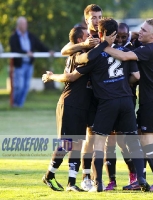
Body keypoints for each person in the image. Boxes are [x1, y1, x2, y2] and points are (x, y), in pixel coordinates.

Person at [55, 18, 150, 193]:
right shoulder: (127, 51)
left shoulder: (95, 56)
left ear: (100, 33)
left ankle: (98, 183)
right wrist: (121, 84)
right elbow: (136, 76)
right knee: (132, 141)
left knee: (99, 142)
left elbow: (81, 63)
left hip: (107, 103)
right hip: (126, 100)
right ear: (116, 34)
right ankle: (141, 178)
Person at [103, 18, 153, 192]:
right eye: (140, 28)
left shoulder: (149, 49)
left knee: (147, 141)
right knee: (140, 139)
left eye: (144, 30)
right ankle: (141, 180)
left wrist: (104, 46)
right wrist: (137, 36)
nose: (140, 32)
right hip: (152, 99)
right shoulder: (150, 46)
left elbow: (124, 56)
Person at [42, 26, 109, 192]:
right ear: (80, 40)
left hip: (81, 106)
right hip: (70, 103)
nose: (90, 38)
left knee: (77, 144)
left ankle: (71, 183)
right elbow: (71, 77)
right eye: (87, 35)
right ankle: (49, 175)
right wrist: (51, 77)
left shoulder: (79, 53)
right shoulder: (82, 56)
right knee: (66, 144)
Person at [61, 4, 103, 191]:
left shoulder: (106, 33)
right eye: (93, 17)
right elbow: (64, 50)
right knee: (85, 139)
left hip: (102, 95)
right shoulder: (85, 38)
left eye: (99, 16)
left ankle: (103, 179)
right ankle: (85, 177)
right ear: (86, 19)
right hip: (84, 96)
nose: (97, 20)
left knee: (98, 140)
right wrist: (84, 45)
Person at [104, 22, 139, 191]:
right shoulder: (104, 48)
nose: (120, 39)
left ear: (129, 36)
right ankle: (111, 180)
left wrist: (124, 84)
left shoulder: (131, 50)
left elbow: (136, 76)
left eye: (124, 37)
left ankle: (133, 175)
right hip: (108, 100)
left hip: (127, 100)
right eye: (117, 36)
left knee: (123, 141)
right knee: (109, 141)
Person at [9, 16, 53, 108]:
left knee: (26, 86)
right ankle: (15, 105)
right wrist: (26, 52)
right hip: (19, 65)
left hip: (29, 64)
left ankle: (19, 106)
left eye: (25, 23)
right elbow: (15, 49)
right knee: (19, 86)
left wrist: (48, 51)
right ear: (19, 25)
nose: (25, 25)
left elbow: (39, 45)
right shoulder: (13, 37)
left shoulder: (30, 36)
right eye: (23, 24)